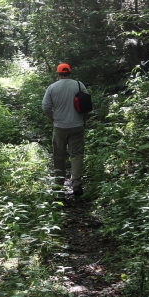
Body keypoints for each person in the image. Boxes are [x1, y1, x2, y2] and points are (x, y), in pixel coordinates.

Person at [42, 62, 88, 198]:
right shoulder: (79, 85)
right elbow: (87, 106)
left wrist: (53, 121)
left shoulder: (52, 87)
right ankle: (77, 184)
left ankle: (59, 187)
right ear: (70, 72)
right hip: (77, 126)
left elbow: (45, 107)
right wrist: (83, 121)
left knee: (59, 156)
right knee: (76, 155)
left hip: (60, 127)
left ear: (58, 74)